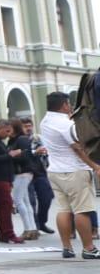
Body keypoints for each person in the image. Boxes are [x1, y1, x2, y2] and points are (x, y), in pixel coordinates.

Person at [39, 92, 100, 260]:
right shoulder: (66, 124)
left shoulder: (45, 121)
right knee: (82, 210)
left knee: (63, 209)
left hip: (55, 171)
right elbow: (78, 148)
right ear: (64, 105)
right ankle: (89, 248)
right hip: (74, 171)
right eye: (69, 104)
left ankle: (67, 247)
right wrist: (95, 166)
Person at [21, 117, 55, 236]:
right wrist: (36, 152)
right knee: (31, 201)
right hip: (26, 173)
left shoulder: (38, 138)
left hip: (40, 171)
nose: (28, 128)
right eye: (25, 126)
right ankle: (34, 226)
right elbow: (21, 154)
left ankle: (41, 222)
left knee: (47, 197)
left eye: (30, 125)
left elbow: (48, 150)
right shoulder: (18, 140)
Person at [8, 119, 39, 240]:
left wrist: (11, 155)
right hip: (21, 172)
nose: (7, 131)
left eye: (9, 128)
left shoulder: (21, 139)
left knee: (18, 200)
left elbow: (25, 156)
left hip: (23, 172)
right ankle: (32, 229)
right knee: (25, 201)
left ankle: (28, 229)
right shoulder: (13, 140)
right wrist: (12, 153)